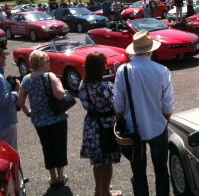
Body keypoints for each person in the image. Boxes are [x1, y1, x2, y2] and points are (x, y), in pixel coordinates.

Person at [114, 31, 174, 196]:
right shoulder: (162, 71)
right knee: (161, 169)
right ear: (151, 50)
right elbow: (168, 105)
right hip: (158, 127)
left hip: (133, 130)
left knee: (139, 173)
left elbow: (118, 106)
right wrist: (164, 120)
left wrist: (122, 118)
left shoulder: (123, 71)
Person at [17, 50, 69, 187]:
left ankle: (53, 178)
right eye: (47, 60)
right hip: (57, 118)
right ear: (41, 63)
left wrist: (29, 113)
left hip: (39, 122)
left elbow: (20, 102)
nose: (49, 63)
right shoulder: (49, 76)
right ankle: (61, 176)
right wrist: (59, 83)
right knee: (59, 146)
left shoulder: (26, 79)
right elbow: (60, 95)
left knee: (47, 147)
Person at [78, 52, 121, 196]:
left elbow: (85, 105)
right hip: (106, 126)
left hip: (91, 125)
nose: (106, 65)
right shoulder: (106, 86)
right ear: (99, 68)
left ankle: (98, 191)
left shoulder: (82, 85)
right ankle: (106, 192)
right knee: (107, 161)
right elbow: (116, 108)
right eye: (104, 63)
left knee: (97, 162)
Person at [0, 46, 20, 150]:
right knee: (10, 152)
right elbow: (3, 101)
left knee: (0, 152)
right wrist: (16, 91)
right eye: (2, 56)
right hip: (6, 121)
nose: (5, 57)